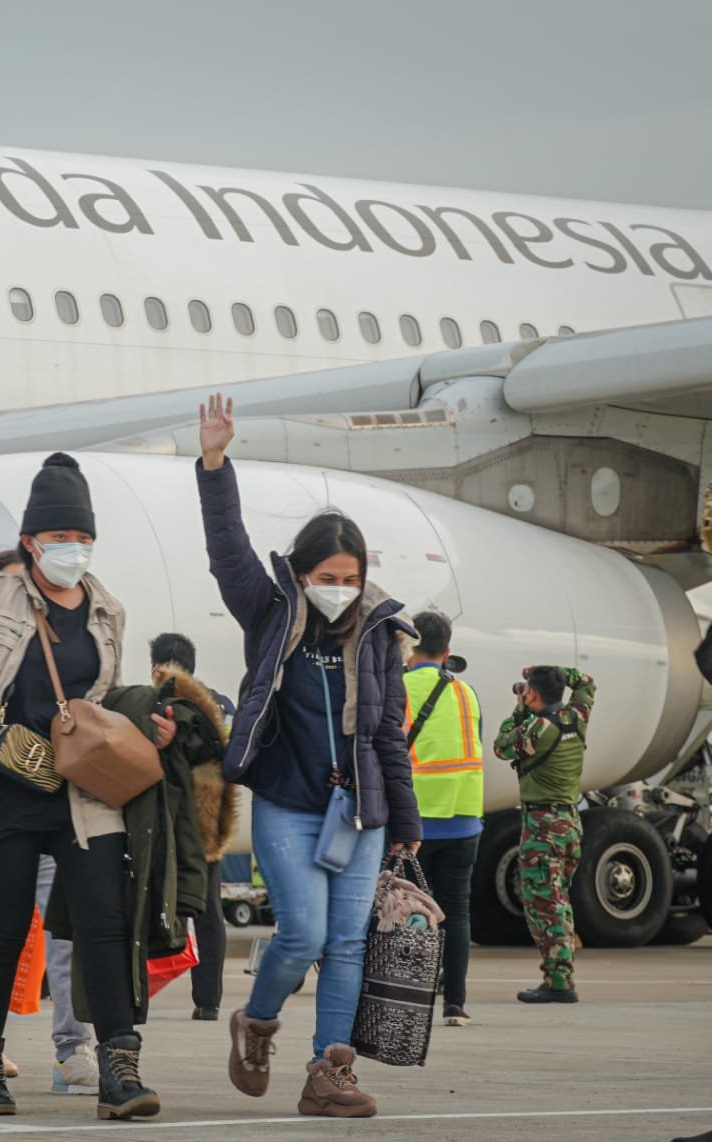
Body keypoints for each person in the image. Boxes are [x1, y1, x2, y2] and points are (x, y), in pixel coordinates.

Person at [0, 453, 174, 1121]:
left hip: (78, 789)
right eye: (59, 538)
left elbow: (105, 699)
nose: (72, 549)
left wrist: (145, 728)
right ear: (31, 542)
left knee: (102, 922)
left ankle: (118, 1071)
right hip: (1, 786)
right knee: (4, 927)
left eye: (81, 538)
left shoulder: (106, 609)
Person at [195, 394, 420, 1120]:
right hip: (289, 805)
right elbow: (226, 549)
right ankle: (255, 1023)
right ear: (300, 574)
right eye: (325, 577)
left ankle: (329, 1072)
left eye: (348, 577)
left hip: (361, 812)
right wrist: (214, 463)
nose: (339, 589)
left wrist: (405, 819)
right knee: (304, 932)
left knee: (348, 943)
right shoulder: (271, 614)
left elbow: (388, 734)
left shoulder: (382, 634)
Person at [146, 632, 237, 1022]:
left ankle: (143, 994)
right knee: (209, 908)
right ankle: (209, 1000)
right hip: (209, 820)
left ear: (156, 666)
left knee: (152, 904)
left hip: (166, 817)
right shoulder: (222, 705)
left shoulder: (153, 704)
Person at [493, 663, 596, 1005]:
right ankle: (561, 974)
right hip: (570, 823)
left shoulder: (536, 728)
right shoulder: (575, 717)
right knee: (560, 901)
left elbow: (502, 745)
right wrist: (554, 673)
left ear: (533, 693)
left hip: (542, 827)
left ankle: (558, 982)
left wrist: (518, 706)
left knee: (544, 906)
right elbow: (586, 683)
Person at [403, 612, 484, 1026]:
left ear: (409, 645)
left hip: (417, 819)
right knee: (457, 911)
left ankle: (412, 996)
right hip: (465, 817)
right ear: (448, 651)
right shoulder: (467, 692)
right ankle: (455, 1004)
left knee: (409, 910)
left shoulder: (399, 688)